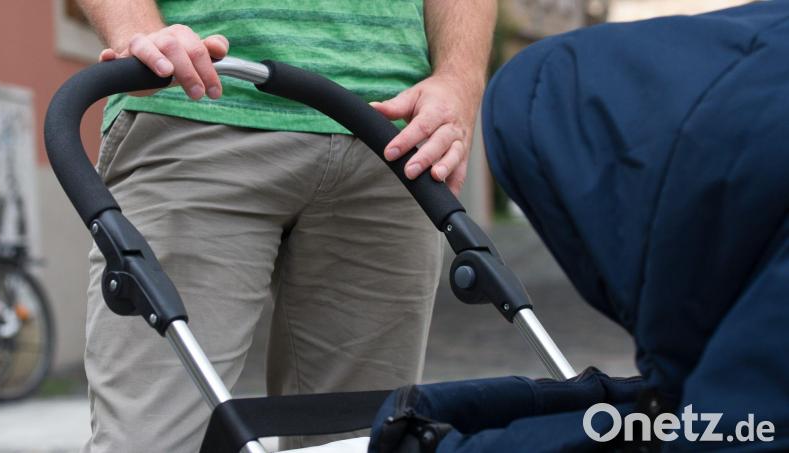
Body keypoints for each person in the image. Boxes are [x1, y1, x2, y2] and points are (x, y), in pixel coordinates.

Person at [75, 1, 496, 451]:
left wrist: (460, 80)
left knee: (360, 441)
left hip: (390, 136)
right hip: (195, 102)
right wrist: (138, 32)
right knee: (151, 438)